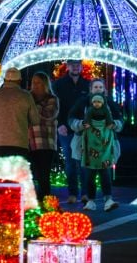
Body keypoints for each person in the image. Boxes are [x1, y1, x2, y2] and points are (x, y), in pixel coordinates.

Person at [68, 78, 124, 211]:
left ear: (104, 89)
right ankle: (91, 200)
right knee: (89, 173)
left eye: (100, 87)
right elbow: (71, 117)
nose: (98, 89)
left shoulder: (110, 103)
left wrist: (115, 125)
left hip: (105, 144)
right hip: (87, 144)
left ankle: (108, 199)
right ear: (90, 89)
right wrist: (80, 124)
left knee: (105, 172)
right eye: (95, 87)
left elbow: (119, 119)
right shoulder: (83, 102)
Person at [51, 60, 90, 203]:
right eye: (72, 64)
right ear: (67, 66)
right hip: (65, 129)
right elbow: (55, 106)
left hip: (82, 129)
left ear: (81, 66)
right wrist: (59, 124)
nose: (75, 67)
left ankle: (85, 193)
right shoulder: (59, 84)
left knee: (83, 162)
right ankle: (72, 193)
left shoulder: (87, 85)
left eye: (78, 64)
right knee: (70, 162)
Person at [0, 67, 40, 158]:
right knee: (17, 172)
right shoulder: (26, 96)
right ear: (19, 81)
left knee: (1, 172)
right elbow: (35, 120)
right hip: (19, 145)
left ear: (4, 80)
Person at [28, 71, 59, 202]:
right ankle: (34, 200)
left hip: (45, 142)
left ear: (45, 84)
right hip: (29, 141)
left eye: (38, 83)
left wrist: (30, 107)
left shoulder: (52, 99)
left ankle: (45, 199)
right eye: (33, 82)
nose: (35, 85)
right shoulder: (27, 98)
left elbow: (47, 115)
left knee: (43, 173)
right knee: (32, 173)